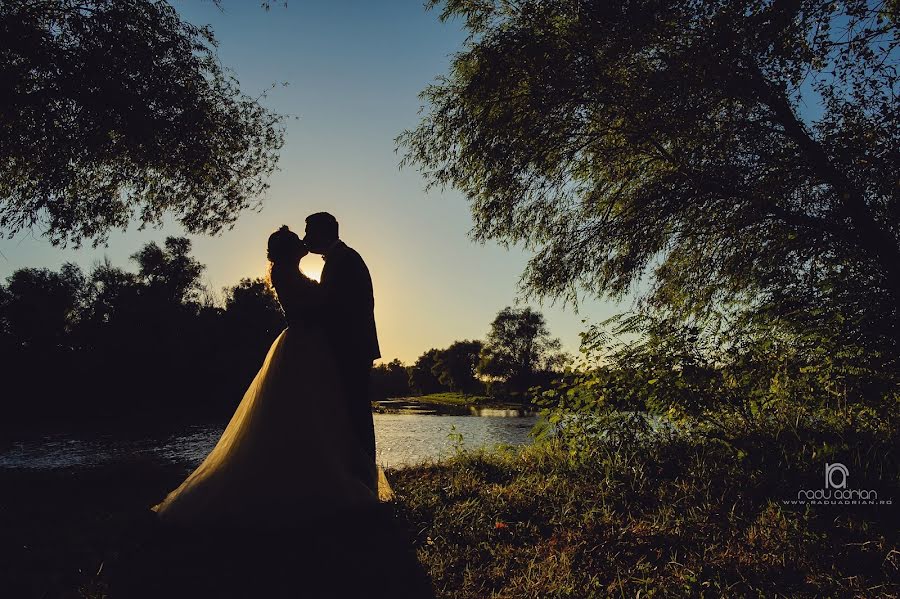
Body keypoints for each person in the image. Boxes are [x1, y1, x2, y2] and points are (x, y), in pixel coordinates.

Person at [150, 225, 380, 529]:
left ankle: (316, 472)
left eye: (306, 236)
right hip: (301, 348)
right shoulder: (286, 274)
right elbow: (308, 308)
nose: (304, 241)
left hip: (314, 349)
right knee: (300, 414)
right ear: (287, 250)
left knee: (320, 415)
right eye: (298, 240)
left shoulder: (321, 266)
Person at [303, 212, 380, 473]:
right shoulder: (341, 258)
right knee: (347, 411)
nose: (305, 238)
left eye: (308, 231)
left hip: (352, 348)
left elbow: (348, 306)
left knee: (356, 410)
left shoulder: (346, 259)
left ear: (323, 231)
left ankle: (364, 471)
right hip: (348, 347)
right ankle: (354, 469)